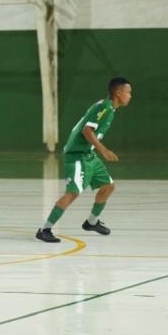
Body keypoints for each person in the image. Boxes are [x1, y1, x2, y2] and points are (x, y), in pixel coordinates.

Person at [36, 77, 133, 243]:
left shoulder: (111, 108)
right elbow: (86, 131)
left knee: (108, 187)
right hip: (77, 155)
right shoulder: (105, 107)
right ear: (118, 93)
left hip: (89, 154)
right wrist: (104, 150)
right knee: (73, 192)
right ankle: (44, 229)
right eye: (128, 92)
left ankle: (91, 222)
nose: (130, 96)